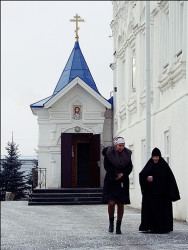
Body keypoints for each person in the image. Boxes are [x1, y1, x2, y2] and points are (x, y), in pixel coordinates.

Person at [139, 147, 180, 234]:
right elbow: (142, 175)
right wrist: (147, 179)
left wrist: (172, 193)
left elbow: (170, 179)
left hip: (162, 194)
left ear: (159, 157)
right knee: (152, 210)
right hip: (151, 194)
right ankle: (150, 227)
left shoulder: (164, 166)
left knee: (162, 211)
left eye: (157, 157)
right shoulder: (149, 165)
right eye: (154, 157)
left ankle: (163, 228)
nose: (155, 159)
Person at [102, 137, 133, 234]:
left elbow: (129, 166)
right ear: (115, 146)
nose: (121, 147)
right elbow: (107, 166)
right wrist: (115, 174)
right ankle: (111, 223)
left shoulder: (127, 154)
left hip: (123, 180)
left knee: (120, 203)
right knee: (111, 203)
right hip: (111, 180)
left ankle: (118, 226)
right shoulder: (109, 153)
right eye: (119, 145)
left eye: (123, 145)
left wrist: (122, 174)